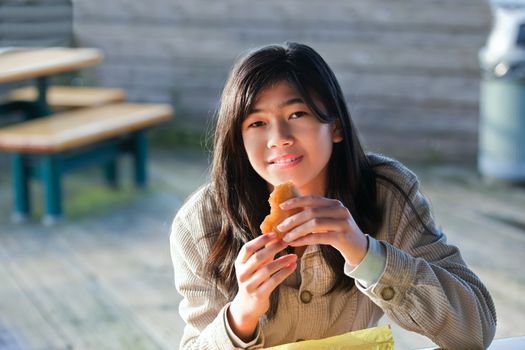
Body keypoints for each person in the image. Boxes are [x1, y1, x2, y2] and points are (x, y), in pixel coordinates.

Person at [170, 42, 496, 349]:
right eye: (257, 122)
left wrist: (366, 253)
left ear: (336, 127)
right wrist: (242, 313)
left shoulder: (385, 190)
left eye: (297, 114)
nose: (279, 138)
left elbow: (475, 330)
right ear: (238, 140)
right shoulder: (200, 221)